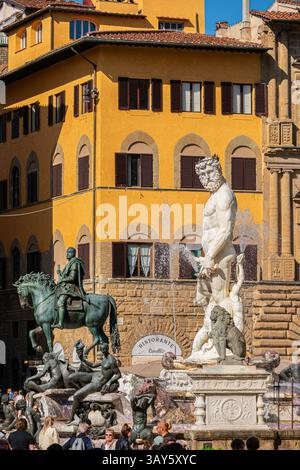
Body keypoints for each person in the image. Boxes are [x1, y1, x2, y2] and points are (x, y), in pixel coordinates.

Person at [53, 247, 86, 330]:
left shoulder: (74, 263)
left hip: (72, 287)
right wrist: (61, 274)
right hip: (66, 286)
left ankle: (60, 323)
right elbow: (67, 275)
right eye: (66, 252)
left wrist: (61, 280)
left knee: (60, 302)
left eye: (68, 252)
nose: (66, 254)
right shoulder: (70, 263)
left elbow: (72, 278)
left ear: (73, 253)